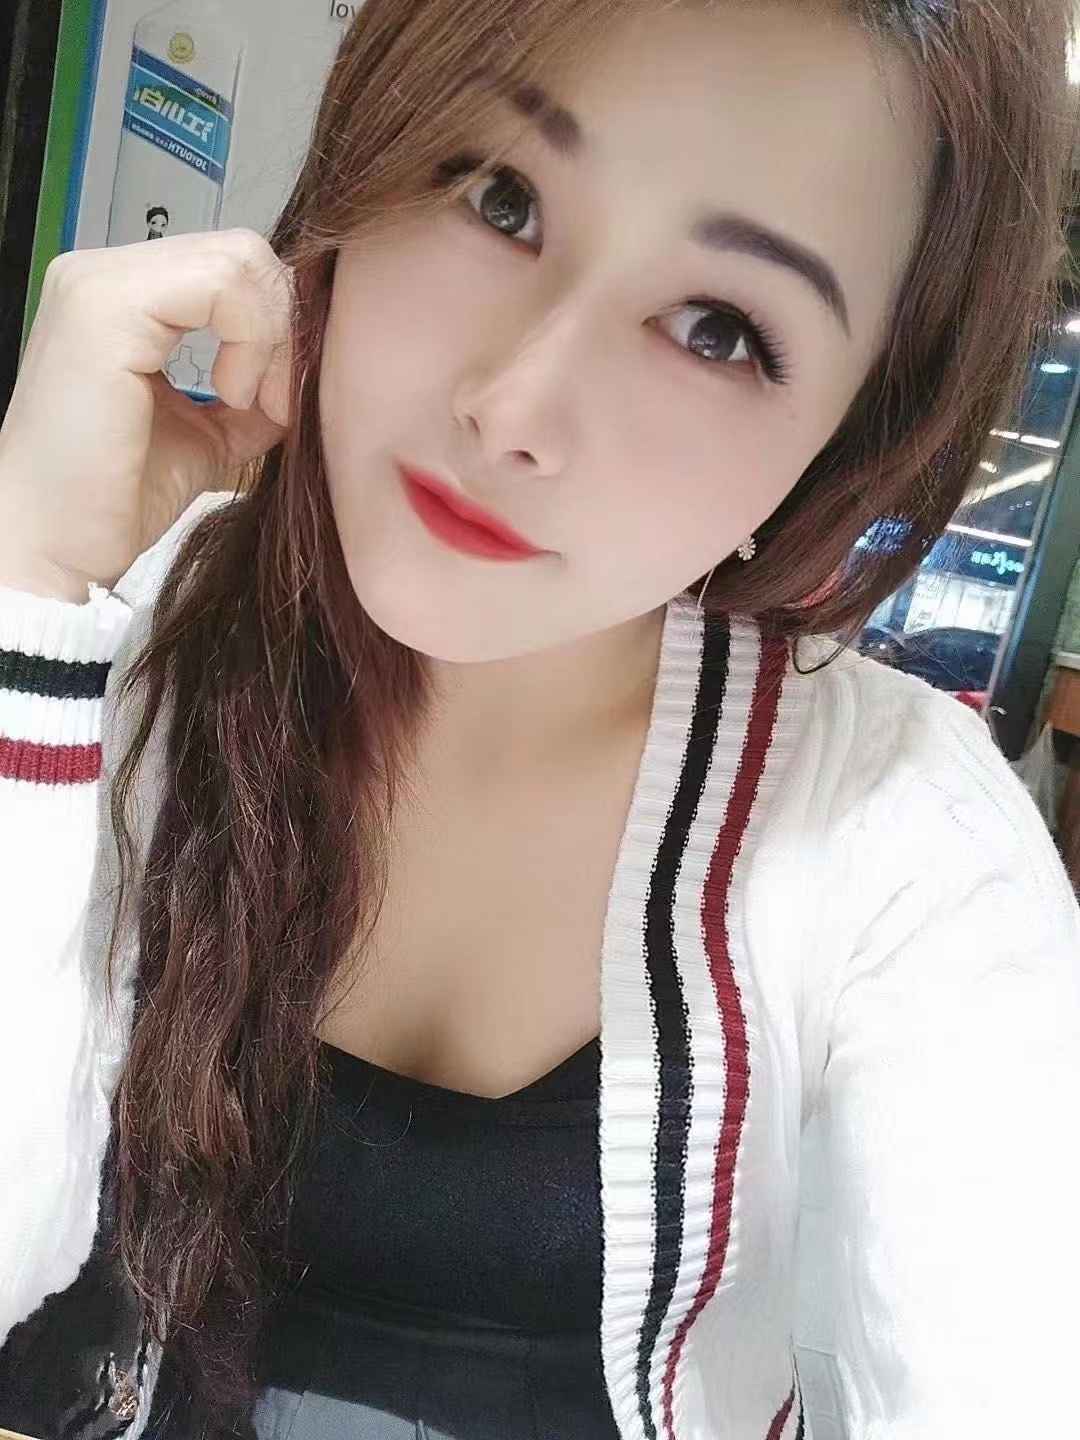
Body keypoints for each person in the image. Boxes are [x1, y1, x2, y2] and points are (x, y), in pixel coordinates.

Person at [1, 0, 1079, 1436]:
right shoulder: (103, 629)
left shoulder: (902, 841)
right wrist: (25, 598)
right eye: (498, 196)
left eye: (716, 330)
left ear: (853, 435)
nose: (515, 406)